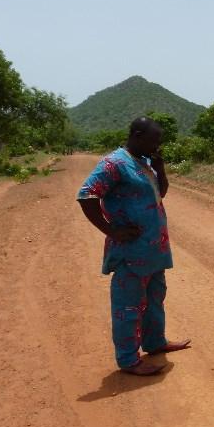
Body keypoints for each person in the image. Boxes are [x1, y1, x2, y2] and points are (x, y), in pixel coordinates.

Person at [77, 117, 190, 376]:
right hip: (131, 253)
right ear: (137, 135)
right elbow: (86, 195)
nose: (157, 146)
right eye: (154, 140)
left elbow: (160, 194)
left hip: (154, 251)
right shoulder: (114, 163)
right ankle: (128, 360)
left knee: (155, 300)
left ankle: (155, 342)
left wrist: (160, 168)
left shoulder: (144, 162)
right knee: (128, 307)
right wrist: (111, 230)